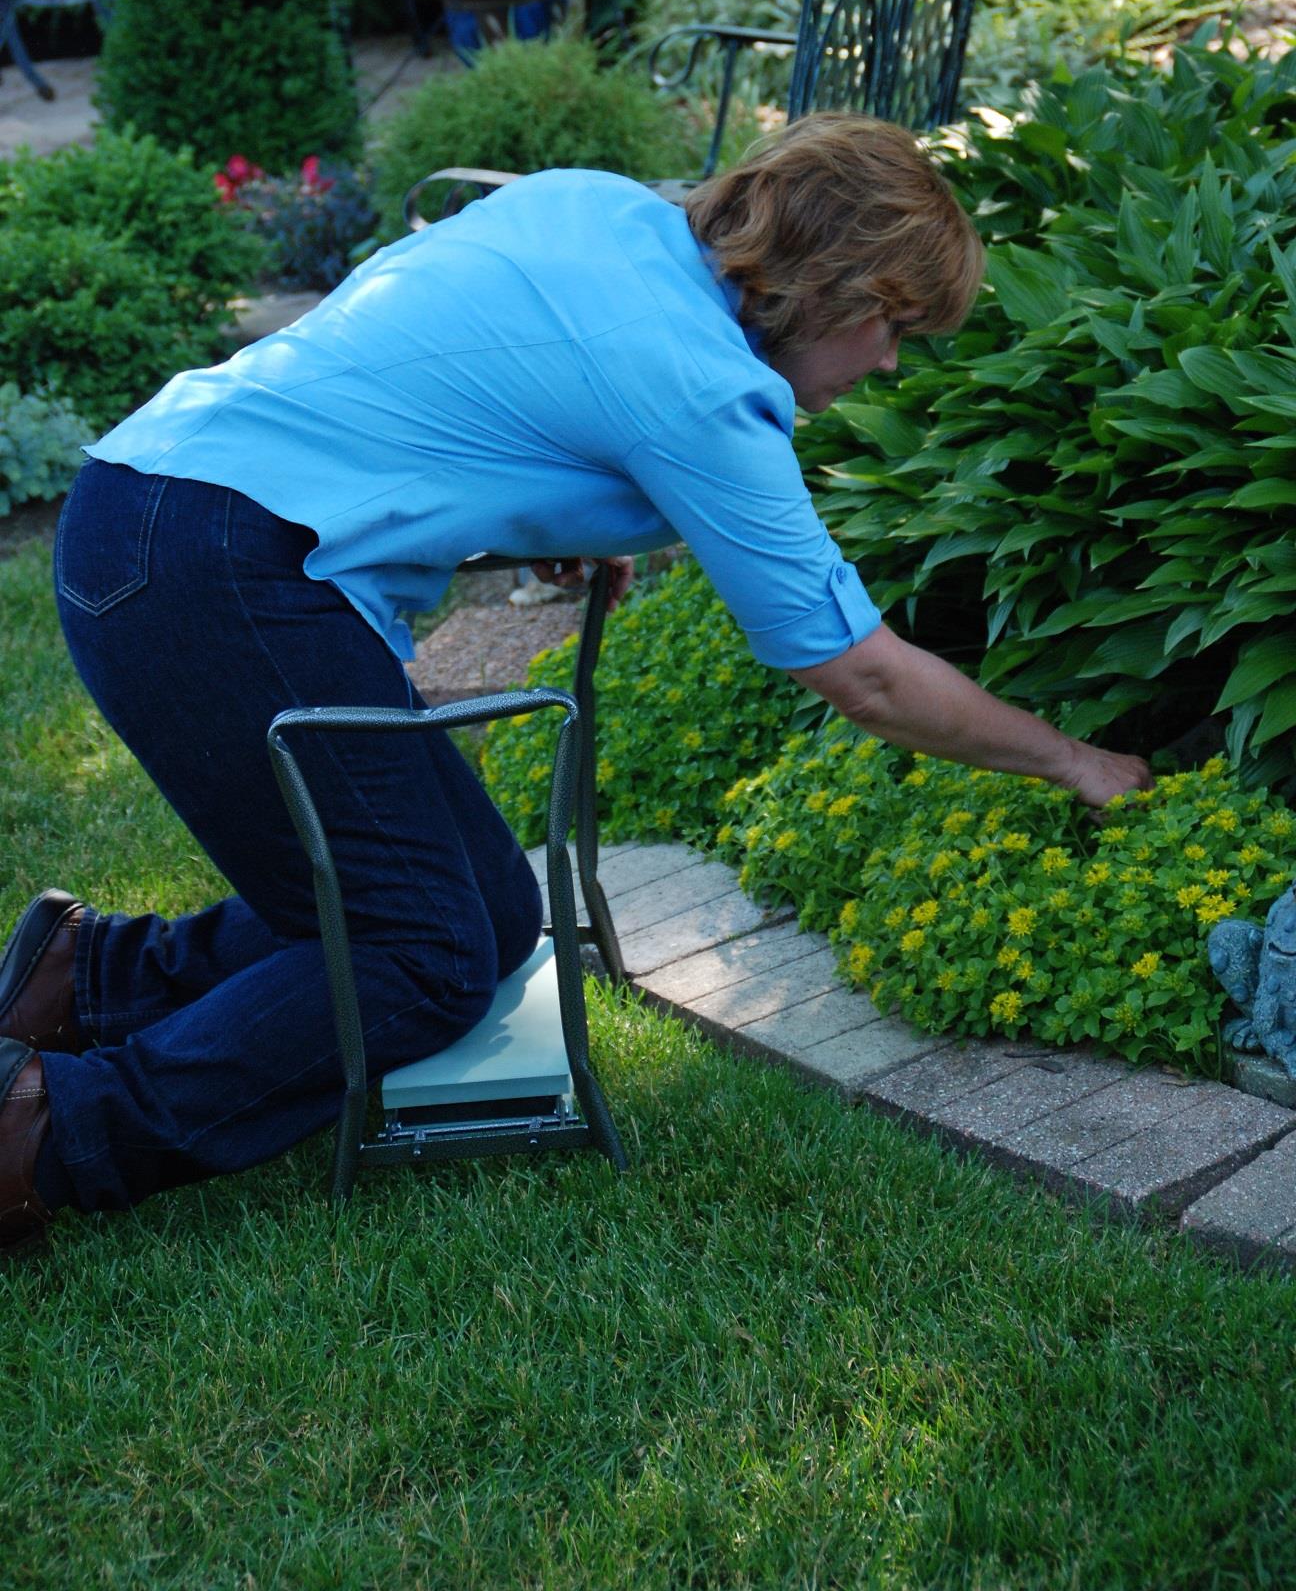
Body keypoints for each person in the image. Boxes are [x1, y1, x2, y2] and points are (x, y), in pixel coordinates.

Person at [0, 112, 1150, 1250]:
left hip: (160, 507)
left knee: (490, 913)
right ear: (834, 287)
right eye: (895, 323)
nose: (891, 360)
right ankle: (45, 1137)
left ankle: (84, 981)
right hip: (214, 573)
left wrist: (544, 493)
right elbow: (866, 677)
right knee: (428, 953)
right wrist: (1072, 760)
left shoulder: (599, 206)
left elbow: (455, 362)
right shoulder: (701, 386)